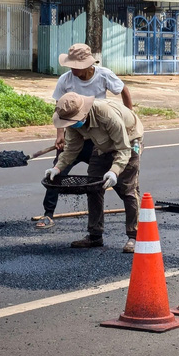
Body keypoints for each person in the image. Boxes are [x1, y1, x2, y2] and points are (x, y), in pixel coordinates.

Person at [35, 43, 133, 230]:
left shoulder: (103, 75)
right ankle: (48, 214)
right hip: (75, 132)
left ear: (88, 65)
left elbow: (124, 91)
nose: (72, 69)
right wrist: (60, 134)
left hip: (99, 136)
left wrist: (129, 116)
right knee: (57, 172)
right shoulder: (65, 79)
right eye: (70, 65)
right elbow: (60, 106)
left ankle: (132, 204)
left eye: (76, 66)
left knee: (112, 175)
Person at [45, 92, 144, 253]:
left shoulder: (106, 115)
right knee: (93, 186)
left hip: (130, 141)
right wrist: (58, 168)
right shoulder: (73, 122)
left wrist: (114, 171)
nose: (71, 125)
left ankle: (134, 235)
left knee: (127, 188)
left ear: (82, 114)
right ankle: (95, 235)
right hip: (103, 144)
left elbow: (123, 148)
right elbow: (72, 149)